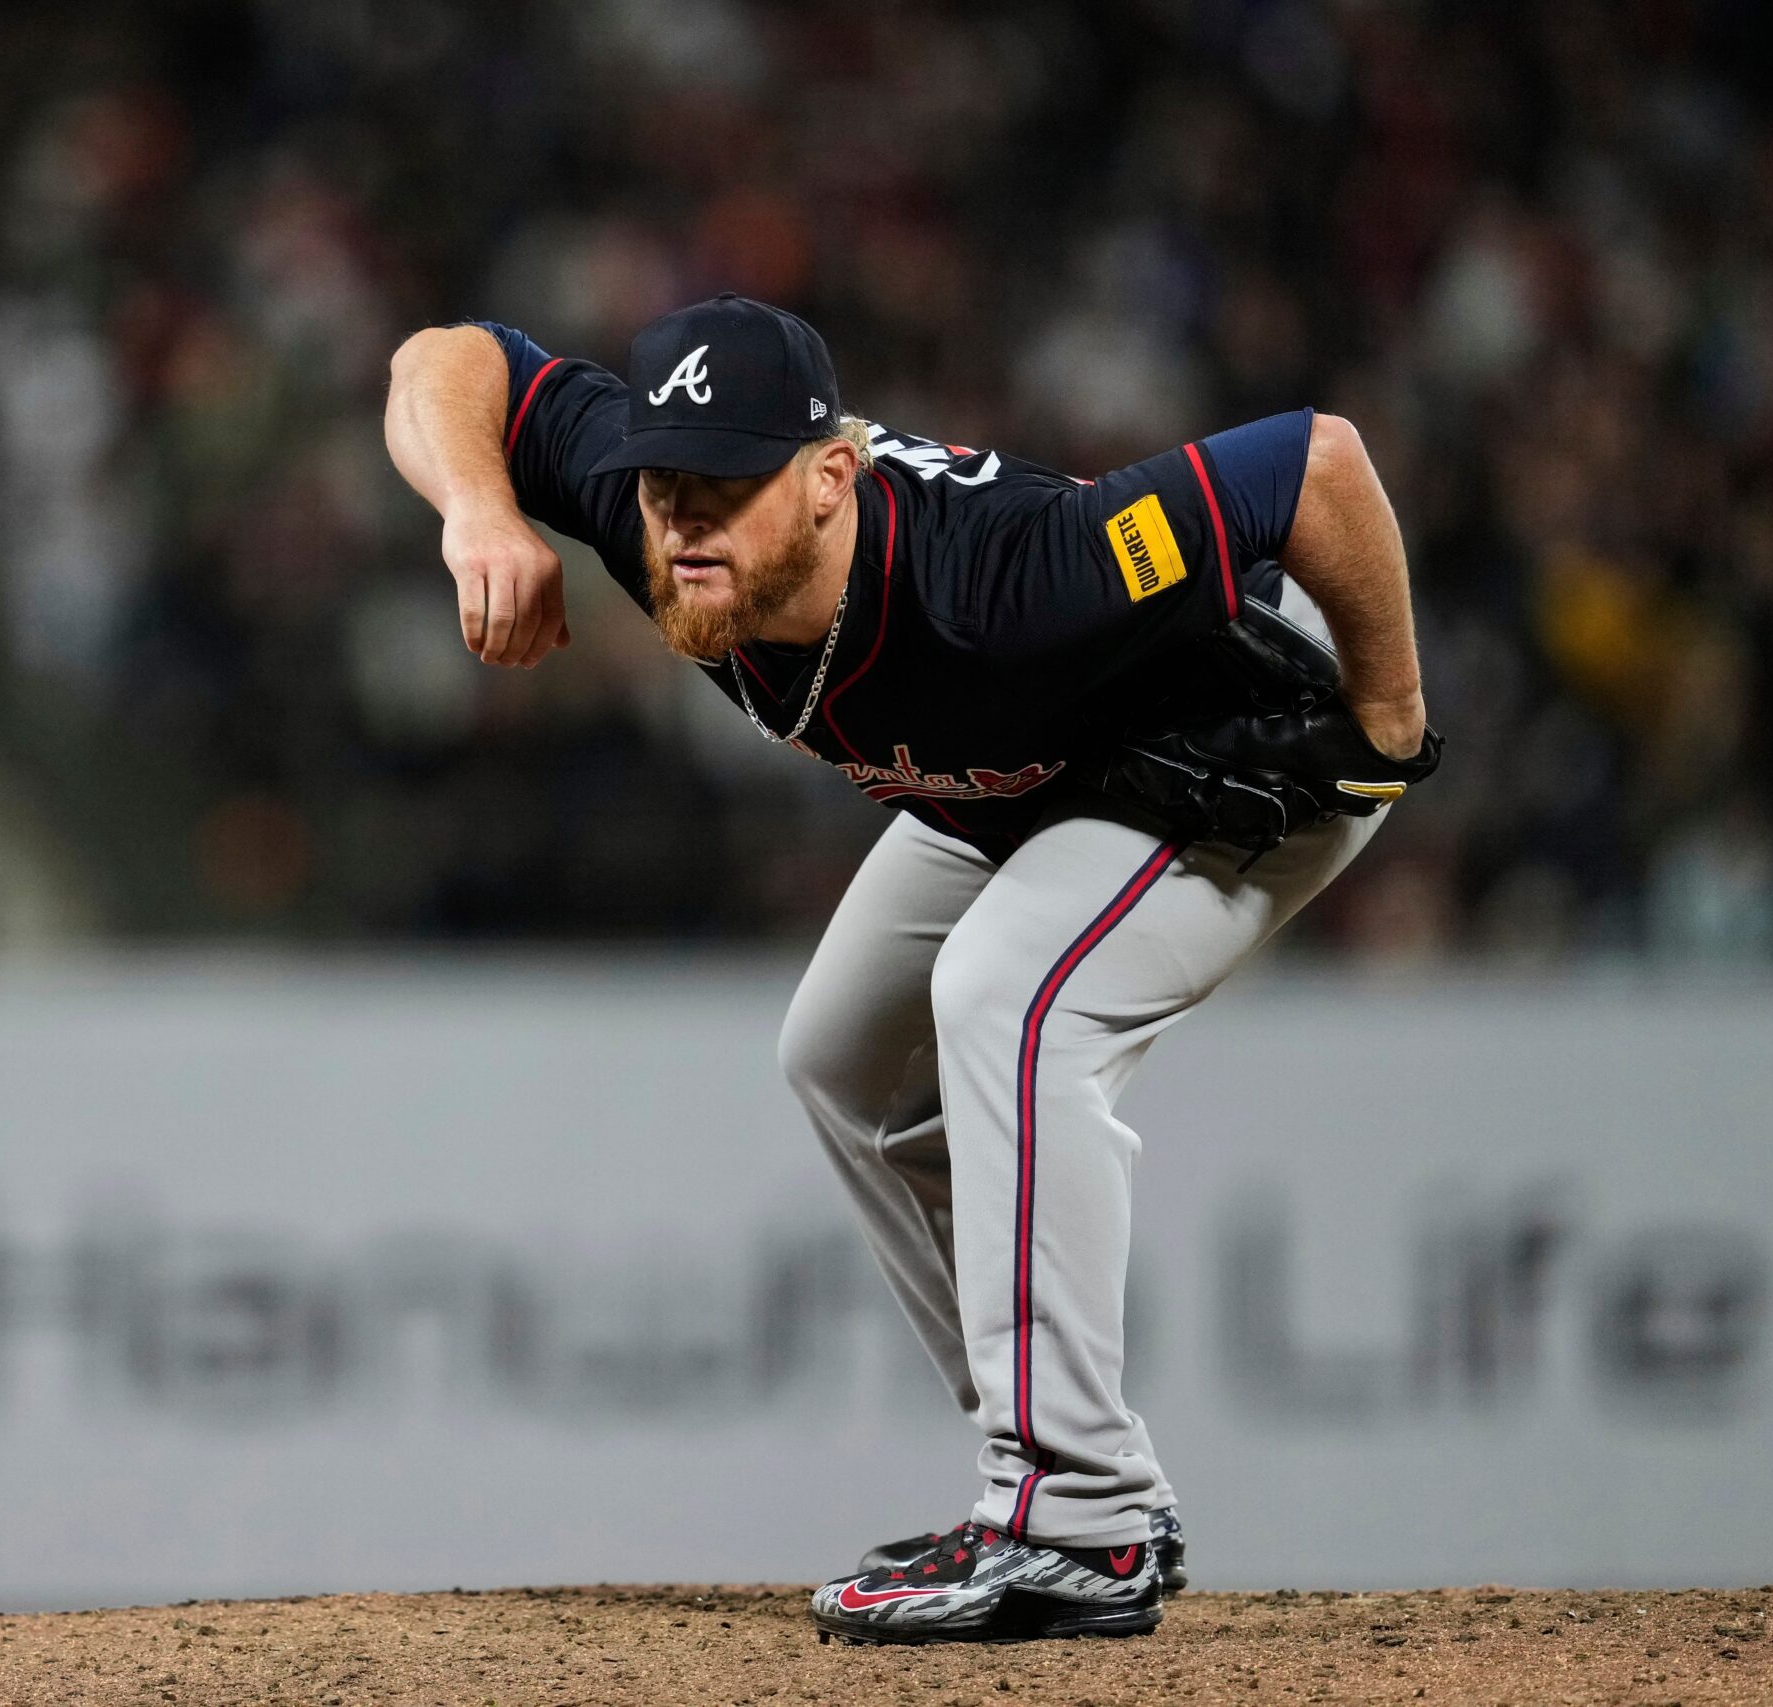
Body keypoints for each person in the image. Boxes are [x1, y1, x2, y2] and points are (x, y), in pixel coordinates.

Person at [382, 293, 1432, 1644]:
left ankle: (1079, 1518)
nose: (687, 519)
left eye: (729, 485)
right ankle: (1054, 1465)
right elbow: (445, 359)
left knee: (1006, 996)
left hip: (1229, 764)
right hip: (1016, 786)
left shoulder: (1004, 574)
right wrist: (478, 508)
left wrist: (1390, 720)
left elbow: (1317, 465)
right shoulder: (650, 514)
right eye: (666, 484)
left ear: (831, 478)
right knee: (839, 1058)